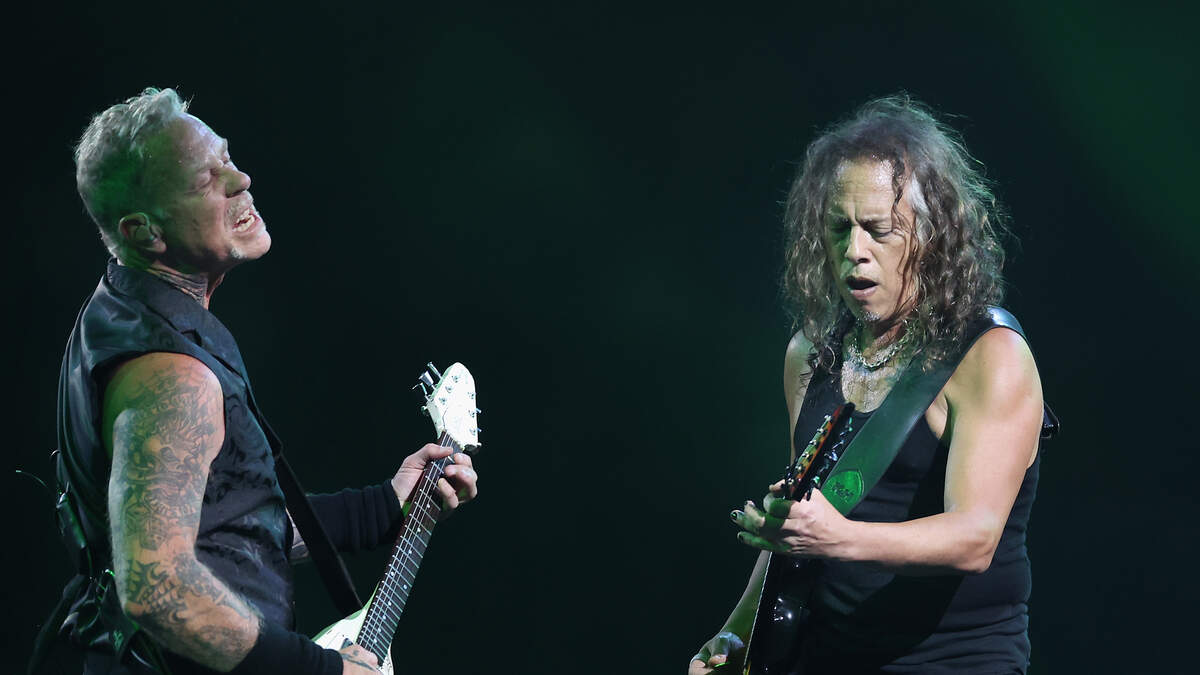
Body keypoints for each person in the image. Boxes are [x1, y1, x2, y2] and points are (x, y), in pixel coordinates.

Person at [49, 87, 479, 675]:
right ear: (145, 232)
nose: (241, 179)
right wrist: (323, 671)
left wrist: (382, 506)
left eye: (227, 158)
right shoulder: (172, 376)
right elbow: (156, 586)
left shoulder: (126, 315)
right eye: (206, 180)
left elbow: (228, 530)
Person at [689, 95, 1048, 673]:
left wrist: (837, 539)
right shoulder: (810, 353)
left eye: (879, 230)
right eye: (840, 229)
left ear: (931, 234)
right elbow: (804, 521)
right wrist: (737, 634)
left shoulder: (989, 355)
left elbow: (975, 537)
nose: (854, 252)